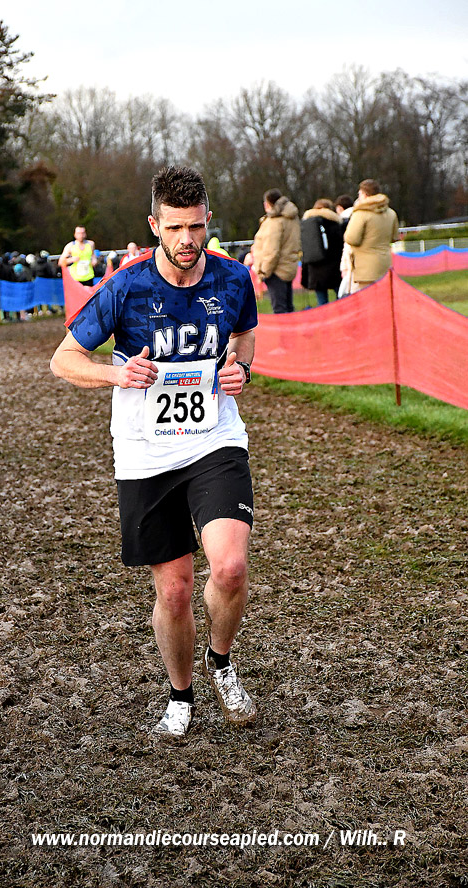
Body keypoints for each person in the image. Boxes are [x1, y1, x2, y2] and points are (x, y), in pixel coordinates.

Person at [50, 165, 258, 740]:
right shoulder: (125, 287)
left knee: (230, 568)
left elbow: (244, 335)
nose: (187, 240)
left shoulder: (234, 279)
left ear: (208, 220)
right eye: (174, 228)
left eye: (195, 227)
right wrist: (117, 375)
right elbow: (62, 360)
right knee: (175, 588)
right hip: (145, 452)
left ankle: (221, 661)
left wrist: (242, 368)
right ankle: (180, 694)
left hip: (214, 439)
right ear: (154, 225)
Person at [344, 179, 399, 293]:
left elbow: (351, 238)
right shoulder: (391, 213)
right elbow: (394, 237)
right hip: (385, 264)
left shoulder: (360, 213)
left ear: (364, 194)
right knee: (384, 297)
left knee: (367, 299)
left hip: (365, 269)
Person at [251, 188, 301, 314]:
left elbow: (272, 250)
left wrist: (264, 271)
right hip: (288, 266)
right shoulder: (291, 218)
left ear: (268, 203)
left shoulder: (275, 221)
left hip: (276, 270)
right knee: (288, 307)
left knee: (279, 309)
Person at [300, 199, 344, 305]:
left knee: (322, 302)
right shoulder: (334, 224)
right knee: (341, 297)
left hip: (315, 270)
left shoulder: (307, 225)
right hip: (334, 268)